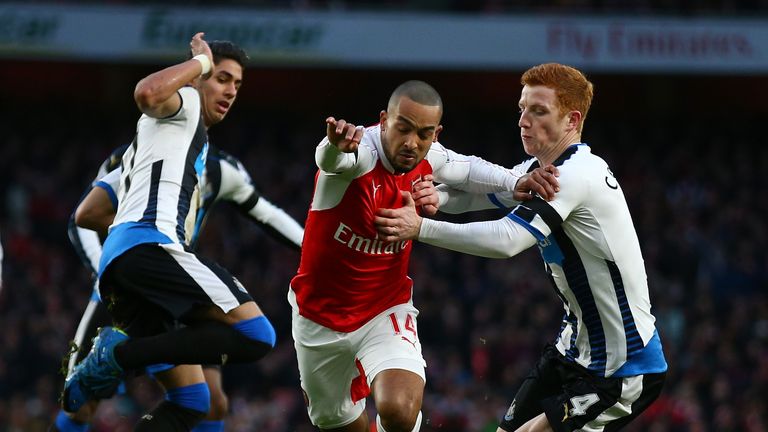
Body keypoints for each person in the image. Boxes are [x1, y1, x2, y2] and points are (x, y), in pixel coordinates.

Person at [373, 64, 668, 432]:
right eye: (522, 109)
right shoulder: (538, 169)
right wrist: (437, 197)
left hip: (623, 367)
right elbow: (483, 195)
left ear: (572, 120)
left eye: (538, 111)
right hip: (573, 352)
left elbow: (507, 240)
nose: (523, 121)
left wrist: (420, 227)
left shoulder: (577, 175)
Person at [289, 80, 560, 432]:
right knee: (336, 423)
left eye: (424, 133)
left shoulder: (428, 154)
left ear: (436, 133)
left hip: (384, 309)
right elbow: (332, 159)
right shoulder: (362, 153)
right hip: (319, 317)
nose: (411, 143)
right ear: (384, 120)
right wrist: (332, 146)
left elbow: (467, 168)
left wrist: (514, 182)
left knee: (399, 411)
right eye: (403, 128)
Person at [60, 33, 278, 432]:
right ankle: (118, 356)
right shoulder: (186, 105)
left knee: (194, 398)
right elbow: (146, 92)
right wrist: (200, 64)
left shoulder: (152, 143)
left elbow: (89, 213)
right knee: (258, 335)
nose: (230, 90)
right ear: (197, 80)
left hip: (122, 266)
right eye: (222, 78)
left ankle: (118, 355)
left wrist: (124, 239)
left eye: (237, 84)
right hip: (150, 247)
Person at [53, 144, 304, 432]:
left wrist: (319, 249)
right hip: (121, 290)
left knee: (207, 402)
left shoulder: (220, 171)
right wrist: (108, 272)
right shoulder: (143, 159)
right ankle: (115, 356)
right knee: (81, 407)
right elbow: (82, 219)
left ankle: (121, 355)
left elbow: (268, 214)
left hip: (173, 286)